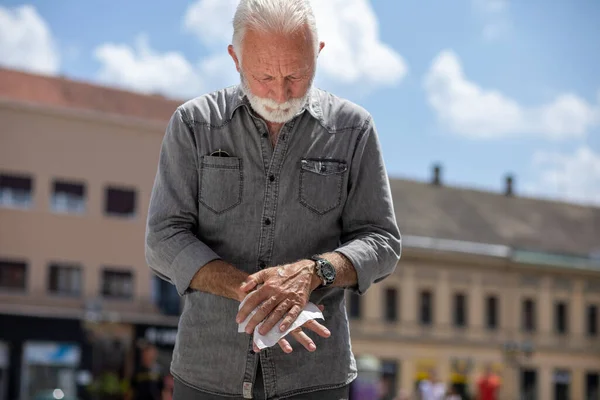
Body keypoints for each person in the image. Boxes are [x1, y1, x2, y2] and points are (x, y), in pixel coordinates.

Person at [145, 0, 401, 399]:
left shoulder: (354, 130)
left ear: (317, 53)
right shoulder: (194, 124)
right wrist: (252, 291)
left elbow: (382, 241)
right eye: (264, 75)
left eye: (296, 76)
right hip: (207, 373)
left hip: (315, 376)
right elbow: (163, 238)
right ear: (235, 58)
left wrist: (313, 273)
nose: (280, 93)